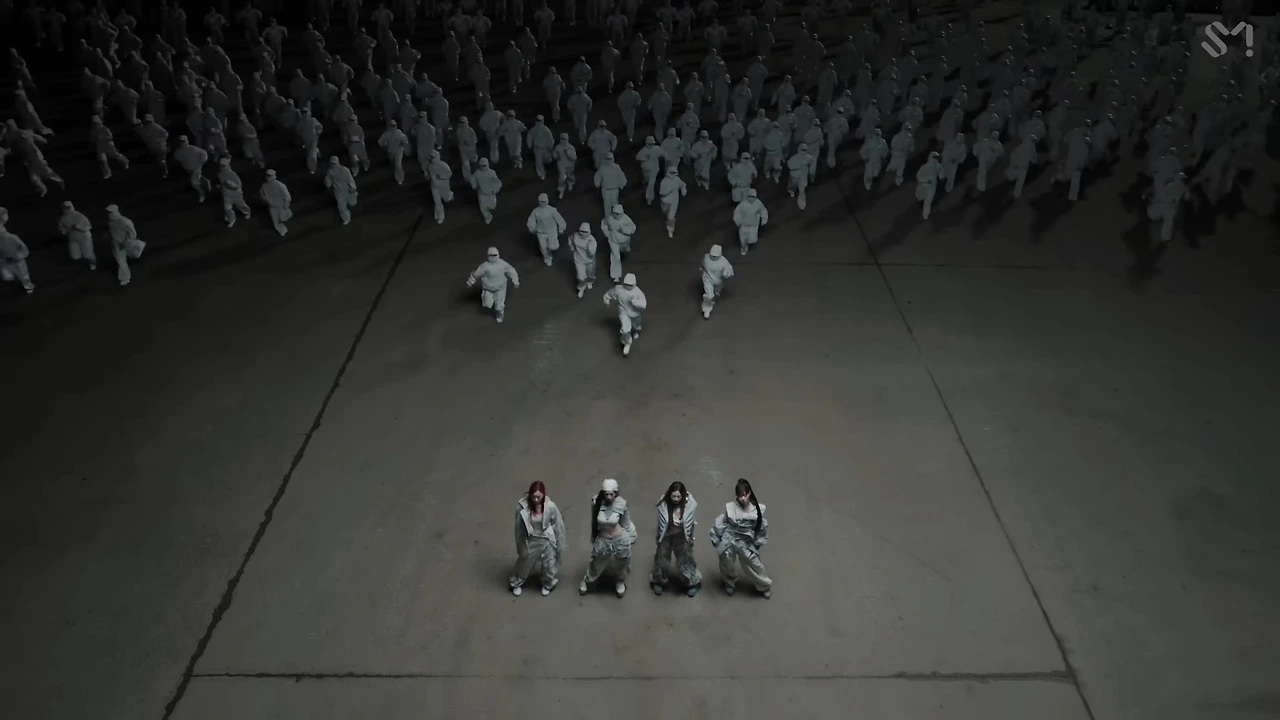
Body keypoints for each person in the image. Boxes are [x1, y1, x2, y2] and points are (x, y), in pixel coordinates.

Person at [709, 478, 772, 598]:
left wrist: (758, 541)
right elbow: (723, 521)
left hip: (746, 541)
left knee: (755, 564)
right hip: (730, 538)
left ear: (749, 493)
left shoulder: (757, 509)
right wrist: (717, 536)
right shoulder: (731, 507)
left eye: (744, 495)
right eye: (739, 496)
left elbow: (761, 527)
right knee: (726, 562)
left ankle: (763, 585)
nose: (742, 498)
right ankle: (729, 581)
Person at [579, 478, 638, 597]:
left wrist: (631, 536)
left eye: (611, 494)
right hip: (603, 538)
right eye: (606, 494)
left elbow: (626, 522)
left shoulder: (621, 504)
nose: (609, 497)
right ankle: (588, 579)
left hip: (619, 537)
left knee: (622, 561)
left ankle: (620, 581)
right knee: (597, 561)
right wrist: (593, 536)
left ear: (616, 493)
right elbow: (594, 521)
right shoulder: (596, 502)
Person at [510, 481, 566, 597]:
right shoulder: (523, 508)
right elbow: (519, 529)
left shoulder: (550, 506)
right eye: (533, 497)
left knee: (549, 564)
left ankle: (547, 583)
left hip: (547, 539)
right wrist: (521, 545)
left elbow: (557, 523)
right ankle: (517, 582)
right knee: (524, 563)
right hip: (532, 538)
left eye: (539, 497)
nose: (536, 500)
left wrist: (558, 541)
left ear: (543, 495)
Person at [651, 481, 702, 596]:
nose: (675, 499)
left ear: (683, 496)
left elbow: (692, 523)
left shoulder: (690, 506)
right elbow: (660, 522)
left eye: (678, 496)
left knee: (685, 561)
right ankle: (659, 580)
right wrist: (658, 536)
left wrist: (691, 537)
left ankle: (691, 582)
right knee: (661, 559)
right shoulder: (663, 504)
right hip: (666, 536)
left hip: (681, 537)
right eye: (673, 496)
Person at [466, 247, 520, 323]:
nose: (493, 257)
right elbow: (476, 274)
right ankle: (485, 296)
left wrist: (515, 280)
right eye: (491, 255)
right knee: (487, 304)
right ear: (488, 256)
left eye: (495, 255)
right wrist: (470, 282)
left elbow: (511, 271)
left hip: (500, 288)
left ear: (498, 255)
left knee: (499, 305)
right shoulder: (485, 266)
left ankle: (500, 313)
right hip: (488, 288)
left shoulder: (503, 265)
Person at [603, 273, 647, 357]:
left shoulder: (638, 292)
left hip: (635, 313)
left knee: (636, 325)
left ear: (634, 284)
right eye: (627, 284)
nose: (628, 286)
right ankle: (627, 343)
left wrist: (636, 302)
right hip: (623, 312)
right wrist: (606, 298)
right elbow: (610, 293)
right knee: (625, 329)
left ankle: (634, 330)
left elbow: (644, 304)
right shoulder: (618, 289)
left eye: (630, 285)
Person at [105, 205, 145, 286]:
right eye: (108, 212)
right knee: (121, 261)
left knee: (134, 254)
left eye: (110, 212)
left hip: (125, 243)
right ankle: (125, 278)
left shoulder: (124, 221)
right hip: (116, 244)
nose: (108, 214)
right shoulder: (110, 222)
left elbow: (132, 232)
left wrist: (128, 241)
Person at [700, 244, 734, 319]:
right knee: (709, 296)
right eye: (712, 255)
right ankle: (706, 309)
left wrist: (724, 279)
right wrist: (702, 269)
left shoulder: (724, 262)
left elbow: (727, 273)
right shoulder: (706, 257)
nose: (713, 257)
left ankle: (715, 293)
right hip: (708, 280)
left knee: (716, 292)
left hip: (718, 281)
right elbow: (702, 263)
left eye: (715, 256)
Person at [569, 222, 598, 298]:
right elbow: (570, 239)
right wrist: (571, 246)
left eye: (586, 232)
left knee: (591, 274)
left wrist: (589, 249)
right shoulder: (575, 236)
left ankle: (590, 281)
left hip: (589, 261)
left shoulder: (591, 240)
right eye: (582, 231)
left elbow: (592, 253)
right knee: (580, 277)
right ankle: (581, 288)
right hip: (579, 260)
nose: (583, 233)